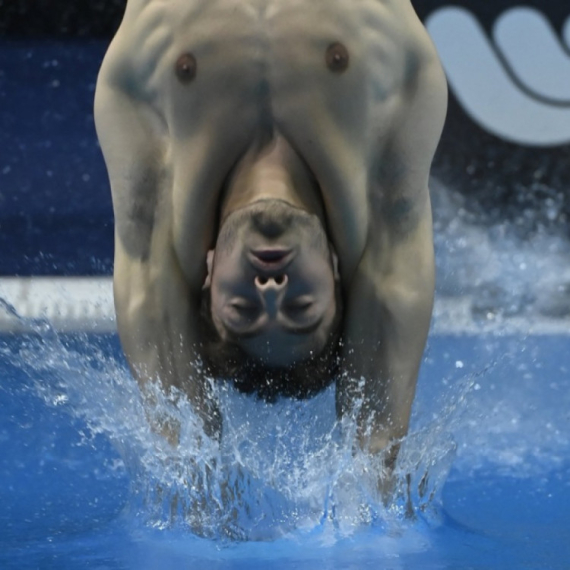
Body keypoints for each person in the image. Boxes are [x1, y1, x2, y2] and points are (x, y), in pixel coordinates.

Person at [94, 0, 447, 475]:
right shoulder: (380, 172)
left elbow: (153, 316)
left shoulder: (161, 184)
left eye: (242, 313)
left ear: (208, 274)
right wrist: (370, 478)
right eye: (301, 310)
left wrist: (197, 483)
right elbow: (377, 430)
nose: (271, 290)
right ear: (338, 274)